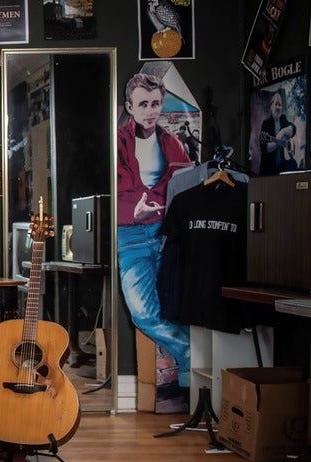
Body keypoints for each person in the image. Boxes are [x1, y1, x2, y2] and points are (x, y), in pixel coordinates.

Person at [116, 72, 192, 399]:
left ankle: (190, 383)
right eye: (143, 104)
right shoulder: (117, 142)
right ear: (129, 107)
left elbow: (187, 187)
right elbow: (109, 186)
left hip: (165, 233)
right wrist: (133, 211)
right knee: (143, 313)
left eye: (156, 103)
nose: (150, 110)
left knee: (177, 305)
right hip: (129, 235)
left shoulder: (172, 144)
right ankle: (194, 357)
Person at [258, 90, 297, 176]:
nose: (278, 107)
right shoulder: (266, 123)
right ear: (271, 106)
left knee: (293, 163)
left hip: (282, 164)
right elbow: (266, 149)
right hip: (269, 167)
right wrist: (278, 140)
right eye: (276, 104)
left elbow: (293, 129)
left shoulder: (283, 119)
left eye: (280, 105)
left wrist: (282, 131)